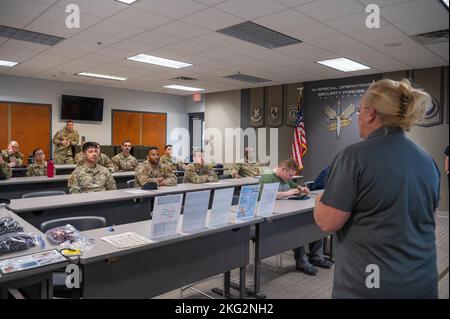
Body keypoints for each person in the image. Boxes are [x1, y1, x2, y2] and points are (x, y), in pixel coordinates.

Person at [314, 79, 441, 299]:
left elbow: (327, 221)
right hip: (422, 279)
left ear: (370, 113)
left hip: (371, 284)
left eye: (359, 111)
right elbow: (430, 215)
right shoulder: (427, 159)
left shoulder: (354, 157)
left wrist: (319, 200)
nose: (358, 118)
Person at [259, 159, 333, 275]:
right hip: (271, 217)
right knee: (297, 228)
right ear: (283, 169)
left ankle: (316, 257)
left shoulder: (285, 178)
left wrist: (301, 189)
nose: (290, 178)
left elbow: (294, 185)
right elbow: (266, 196)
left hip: (286, 211)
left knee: (313, 223)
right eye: (289, 175)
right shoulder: (268, 177)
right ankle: (302, 263)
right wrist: (288, 193)